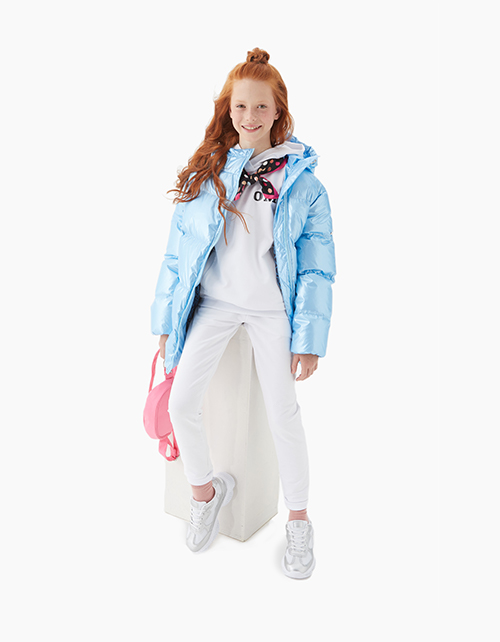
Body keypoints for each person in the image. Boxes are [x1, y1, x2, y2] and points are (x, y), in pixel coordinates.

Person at [151, 48, 336, 579]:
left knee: (283, 415)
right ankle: (205, 493)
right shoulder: (210, 167)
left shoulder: (304, 184)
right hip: (214, 304)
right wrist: (166, 320)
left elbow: (317, 267)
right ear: (227, 110)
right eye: (239, 107)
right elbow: (178, 250)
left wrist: (309, 340)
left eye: (260, 107)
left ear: (278, 110)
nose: (249, 117)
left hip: (271, 311)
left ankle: (298, 521)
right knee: (182, 403)